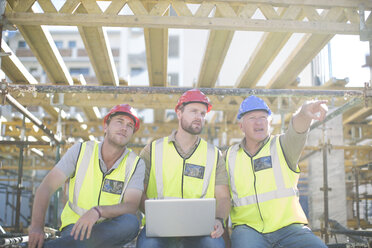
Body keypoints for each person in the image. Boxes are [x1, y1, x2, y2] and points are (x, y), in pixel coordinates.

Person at [28, 104, 145, 248]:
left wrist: (98, 211)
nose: (124, 128)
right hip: (76, 226)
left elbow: (131, 206)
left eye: (130, 126)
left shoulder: (135, 163)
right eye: (119, 121)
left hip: (109, 230)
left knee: (131, 223)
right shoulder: (80, 151)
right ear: (105, 127)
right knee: (82, 242)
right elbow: (46, 187)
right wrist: (36, 227)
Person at [226, 95, 328, 248]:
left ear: (270, 122)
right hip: (248, 229)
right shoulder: (229, 156)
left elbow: (297, 130)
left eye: (263, 117)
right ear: (241, 126)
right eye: (252, 117)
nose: (259, 122)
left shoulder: (283, 146)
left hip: (290, 228)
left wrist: (304, 113)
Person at [136, 89, 231, 248]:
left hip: (201, 230)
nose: (198, 117)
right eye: (193, 111)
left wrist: (219, 220)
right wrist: (158, 217)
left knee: (214, 245)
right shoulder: (152, 150)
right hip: (160, 229)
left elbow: (223, 198)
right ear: (179, 113)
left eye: (202, 113)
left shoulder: (214, 155)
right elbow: (138, 193)